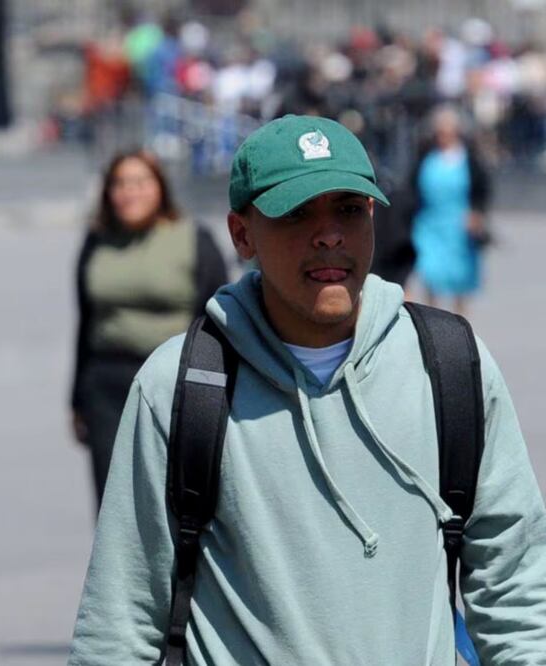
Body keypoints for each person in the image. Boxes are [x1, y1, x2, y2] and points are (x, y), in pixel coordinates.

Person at [69, 115, 546, 663]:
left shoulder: (451, 365)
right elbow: (120, 621)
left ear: (371, 217)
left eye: (347, 209)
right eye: (296, 213)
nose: (328, 235)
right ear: (241, 233)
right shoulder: (180, 386)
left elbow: (515, 584)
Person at [72, 149, 227, 508]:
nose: (130, 192)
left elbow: (218, 318)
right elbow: (85, 321)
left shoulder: (192, 239)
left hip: (176, 381)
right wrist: (77, 398)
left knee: (176, 498)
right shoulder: (98, 242)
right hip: (108, 384)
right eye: (120, 184)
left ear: (160, 187)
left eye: (140, 182)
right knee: (115, 500)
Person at [410, 105, 492, 316]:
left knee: (459, 277)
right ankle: (432, 319)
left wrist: (477, 213)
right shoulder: (426, 157)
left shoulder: (469, 160)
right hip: (429, 223)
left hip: (458, 225)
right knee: (430, 272)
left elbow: (482, 189)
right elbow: (412, 188)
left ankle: (459, 321)